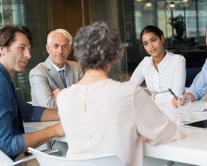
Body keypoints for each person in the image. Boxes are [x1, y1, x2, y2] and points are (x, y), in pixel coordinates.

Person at [57, 21, 185, 166]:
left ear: (78, 54)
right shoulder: (129, 93)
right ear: (115, 56)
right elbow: (172, 133)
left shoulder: (63, 97)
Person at [0, 25, 64, 159]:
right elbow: (5, 145)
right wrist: (56, 130)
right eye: (21, 48)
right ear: (2, 49)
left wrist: (66, 114)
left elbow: (27, 112)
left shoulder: (0, 77)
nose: (28, 55)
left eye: (29, 50)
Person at [130, 25, 186, 104]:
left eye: (154, 40)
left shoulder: (178, 60)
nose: (151, 46)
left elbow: (177, 94)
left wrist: (153, 97)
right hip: (152, 108)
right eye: (146, 43)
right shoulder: (145, 62)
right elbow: (130, 86)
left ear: (162, 39)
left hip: (173, 107)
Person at [29, 29, 82, 109]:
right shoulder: (38, 72)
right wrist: (76, 96)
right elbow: (48, 106)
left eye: (64, 46)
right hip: (50, 121)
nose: (60, 51)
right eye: (56, 46)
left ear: (69, 50)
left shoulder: (77, 67)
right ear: (48, 48)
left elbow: (89, 98)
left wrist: (62, 95)